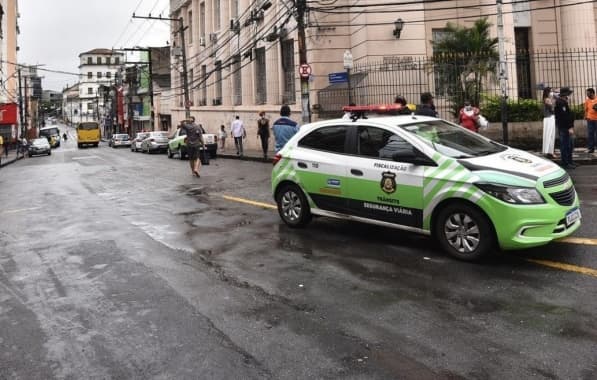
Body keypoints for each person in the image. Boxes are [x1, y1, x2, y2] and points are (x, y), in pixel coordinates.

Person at [554, 86, 576, 169]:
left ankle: (570, 161)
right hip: (564, 127)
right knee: (565, 145)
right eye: (568, 93)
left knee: (570, 145)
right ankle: (565, 163)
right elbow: (564, 116)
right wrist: (570, 127)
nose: (569, 95)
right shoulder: (560, 102)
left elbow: (568, 115)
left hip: (566, 127)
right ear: (565, 94)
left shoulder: (563, 101)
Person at [542, 87, 556, 158]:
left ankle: (548, 151)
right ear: (548, 92)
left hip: (548, 118)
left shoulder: (546, 99)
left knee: (548, 135)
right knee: (550, 135)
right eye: (551, 91)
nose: (552, 93)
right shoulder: (547, 100)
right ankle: (550, 152)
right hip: (550, 118)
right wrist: (554, 102)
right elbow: (552, 109)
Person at [584, 87, 597, 154]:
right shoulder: (587, 101)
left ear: (592, 93)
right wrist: (585, 117)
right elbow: (586, 110)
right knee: (590, 134)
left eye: (588, 93)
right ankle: (590, 148)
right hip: (590, 120)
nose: (587, 94)